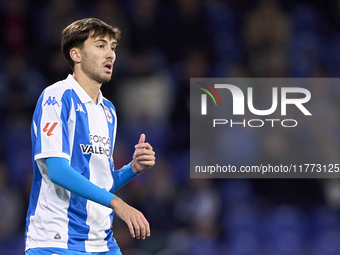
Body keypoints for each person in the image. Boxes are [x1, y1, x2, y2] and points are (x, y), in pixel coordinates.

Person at [25, 18, 156, 255]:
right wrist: (118, 204)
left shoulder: (108, 111)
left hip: (102, 243)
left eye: (113, 47)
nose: (110, 54)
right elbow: (57, 170)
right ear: (76, 54)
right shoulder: (56, 97)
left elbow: (100, 182)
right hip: (56, 241)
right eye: (100, 45)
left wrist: (132, 169)